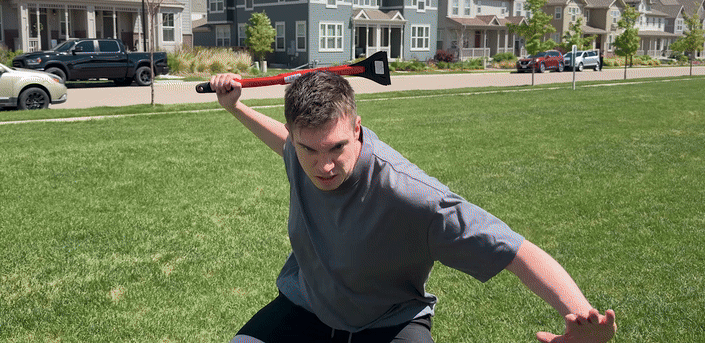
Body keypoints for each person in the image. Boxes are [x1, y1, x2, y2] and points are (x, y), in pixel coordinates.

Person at [208, 70, 616, 343]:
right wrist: (234, 107)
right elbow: (280, 139)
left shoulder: (412, 195)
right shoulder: (297, 154)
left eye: (337, 147)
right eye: (309, 149)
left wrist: (583, 318)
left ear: (357, 127)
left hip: (389, 322)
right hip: (308, 305)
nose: (325, 165)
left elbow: (515, 250)